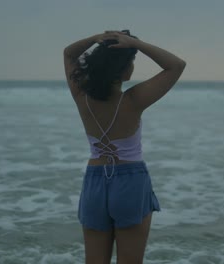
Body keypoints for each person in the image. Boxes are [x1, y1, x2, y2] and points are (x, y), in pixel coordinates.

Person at [63, 30, 186, 264]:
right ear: (123, 68)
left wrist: (95, 38)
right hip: (130, 182)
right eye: (132, 61)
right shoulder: (133, 99)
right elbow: (176, 65)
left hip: (95, 182)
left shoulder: (81, 96)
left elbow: (69, 54)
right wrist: (135, 43)